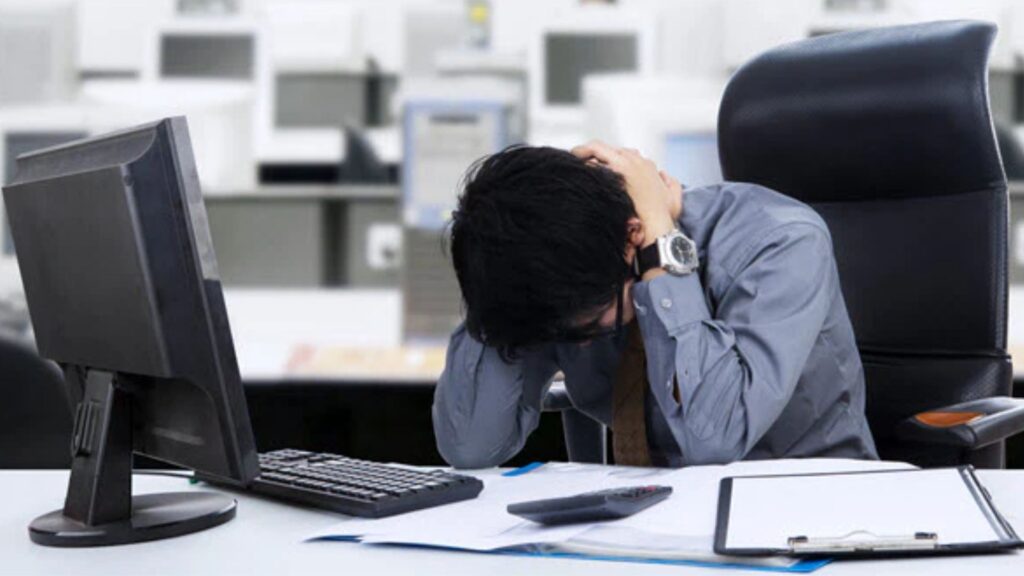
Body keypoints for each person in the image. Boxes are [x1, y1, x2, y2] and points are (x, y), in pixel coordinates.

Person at [432, 141, 878, 468]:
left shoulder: (780, 242)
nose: (579, 349)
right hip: (652, 523)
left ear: (631, 237)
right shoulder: (562, 280)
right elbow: (473, 445)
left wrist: (663, 251)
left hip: (807, 507)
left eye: (591, 327)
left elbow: (715, 438)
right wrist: (496, 265)